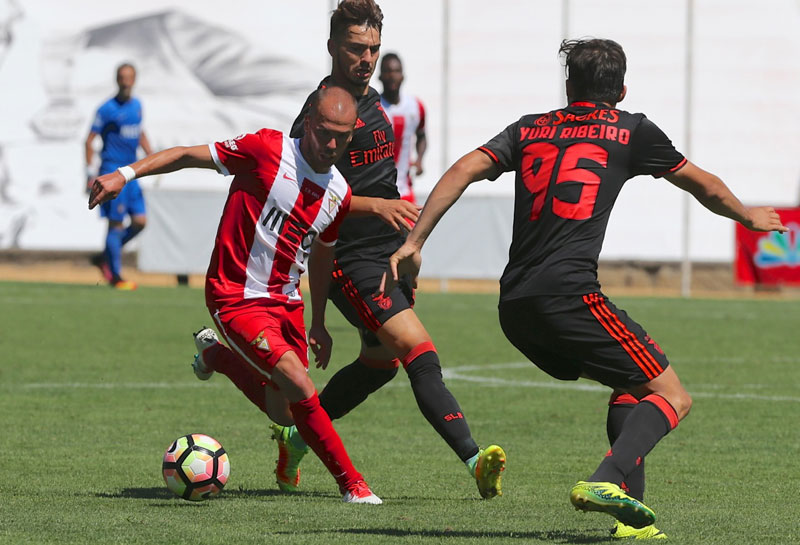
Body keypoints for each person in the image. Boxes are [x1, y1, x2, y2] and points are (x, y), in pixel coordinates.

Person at [384, 38, 788, 538]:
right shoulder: (631, 130)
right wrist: (746, 215)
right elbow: (700, 183)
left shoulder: (530, 127)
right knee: (673, 396)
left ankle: (630, 522)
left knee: (632, 386)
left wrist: (415, 240)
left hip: (514, 307)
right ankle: (604, 480)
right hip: (570, 297)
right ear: (620, 88)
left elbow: (464, 168)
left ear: (569, 86)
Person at [88, 86, 382, 504]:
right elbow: (188, 154)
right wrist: (125, 174)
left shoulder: (338, 191)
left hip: (287, 302)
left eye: (342, 136)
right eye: (325, 132)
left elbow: (322, 254)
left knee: (285, 411)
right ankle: (353, 484)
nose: (331, 144)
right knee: (300, 386)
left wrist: (318, 320)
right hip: (235, 295)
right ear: (310, 123)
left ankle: (217, 358)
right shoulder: (265, 148)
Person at [270, 0, 506, 500]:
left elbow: (379, 179)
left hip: (390, 251)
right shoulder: (317, 116)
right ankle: (474, 459)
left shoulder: (372, 100)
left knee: (379, 365)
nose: (367, 58)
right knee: (419, 352)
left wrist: (406, 241)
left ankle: (298, 436)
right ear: (333, 47)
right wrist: (375, 207)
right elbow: (303, 200)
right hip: (350, 260)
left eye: (373, 49)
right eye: (356, 48)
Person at [85, 63, 153, 290]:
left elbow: (139, 131)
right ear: (117, 80)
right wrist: (89, 173)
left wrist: (151, 156)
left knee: (140, 222)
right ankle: (115, 276)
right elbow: (89, 140)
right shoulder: (106, 109)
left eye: (129, 78)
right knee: (115, 224)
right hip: (112, 171)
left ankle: (106, 255)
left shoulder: (137, 105)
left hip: (132, 172)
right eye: (122, 78)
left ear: (134, 80)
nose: (126, 82)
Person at [379, 52, 426, 204]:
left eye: (396, 71)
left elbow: (422, 136)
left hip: (405, 190)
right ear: (380, 77)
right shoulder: (374, 107)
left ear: (403, 76)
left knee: (414, 228)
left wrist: (419, 160)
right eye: (387, 71)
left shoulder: (415, 106)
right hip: (378, 192)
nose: (392, 76)